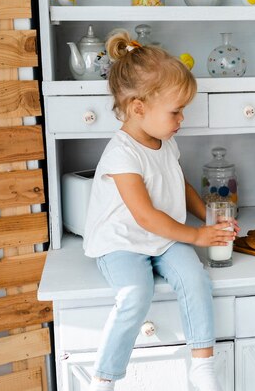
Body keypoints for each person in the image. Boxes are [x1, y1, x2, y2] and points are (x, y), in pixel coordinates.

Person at [84, 30, 235, 391]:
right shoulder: (122, 153)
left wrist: (209, 216)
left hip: (164, 237)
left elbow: (178, 185)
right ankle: (104, 376)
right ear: (139, 108)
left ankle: (202, 364)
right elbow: (145, 217)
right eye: (176, 111)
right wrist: (197, 235)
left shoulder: (165, 141)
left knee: (196, 278)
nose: (182, 118)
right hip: (123, 241)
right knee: (135, 294)